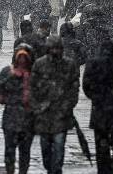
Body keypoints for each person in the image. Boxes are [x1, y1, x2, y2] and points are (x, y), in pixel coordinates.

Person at [30, 35, 80, 174]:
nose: (55, 51)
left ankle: (56, 170)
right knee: (45, 147)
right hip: (43, 114)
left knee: (59, 146)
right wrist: (37, 107)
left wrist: (68, 106)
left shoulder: (69, 65)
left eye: (58, 48)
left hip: (61, 114)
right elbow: (32, 88)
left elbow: (74, 89)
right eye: (52, 48)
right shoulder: (40, 64)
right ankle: (50, 168)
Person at [82, 39, 113, 174]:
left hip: (99, 109)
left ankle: (103, 170)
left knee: (101, 143)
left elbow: (86, 86)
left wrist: (96, 97)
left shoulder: (92, 64)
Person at [0, 44, 35, 174]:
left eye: (25, 58)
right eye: (20, 58)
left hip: (28, 120)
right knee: (10, 151)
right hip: (11, 118)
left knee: (25, 151)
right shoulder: (8, 71)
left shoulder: (34, 74)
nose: (22, 61)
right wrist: (11, 77)